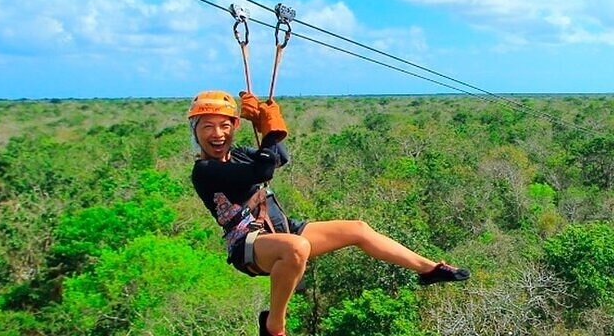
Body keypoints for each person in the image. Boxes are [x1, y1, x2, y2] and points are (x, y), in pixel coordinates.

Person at [188, 90, 470, 336]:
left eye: (224, 125)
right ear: (195, 131)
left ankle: (429, 269)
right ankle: (274, 326)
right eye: (208, 127)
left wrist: (266, 124)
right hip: (248, 245)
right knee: (297, 247)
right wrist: (269, 127)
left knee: (357, 229)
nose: (217, 134)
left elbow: (280, 158)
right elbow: (262, 169)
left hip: (282, 228)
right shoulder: (204, 171)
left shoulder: (237, 153)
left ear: (234, 126)